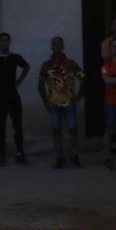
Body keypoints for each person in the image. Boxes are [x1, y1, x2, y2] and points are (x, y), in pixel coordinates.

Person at [37, 37, 83, 169]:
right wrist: (45, 101)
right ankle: (60, 157)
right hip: (53, 103)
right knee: (56, 130)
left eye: (59, 44)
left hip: (69, 102)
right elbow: (40, 84)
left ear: (63, 46)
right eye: (54, 44)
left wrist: (78, 96)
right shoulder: (46, 65)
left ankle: (74, 155)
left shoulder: (71, 63)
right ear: (51, 47)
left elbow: (83, 77)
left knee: (72, 129)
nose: (57, 46)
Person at [0, 33, 29, 166]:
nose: (4, 43)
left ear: (9, 43)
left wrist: (20, 80)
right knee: (1, 127)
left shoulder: (15, 57)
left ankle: (20, 154)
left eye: (6, 41)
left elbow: (26, 66)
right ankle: (2, 156)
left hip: (13, 96)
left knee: (18, 126)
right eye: (2, 41)